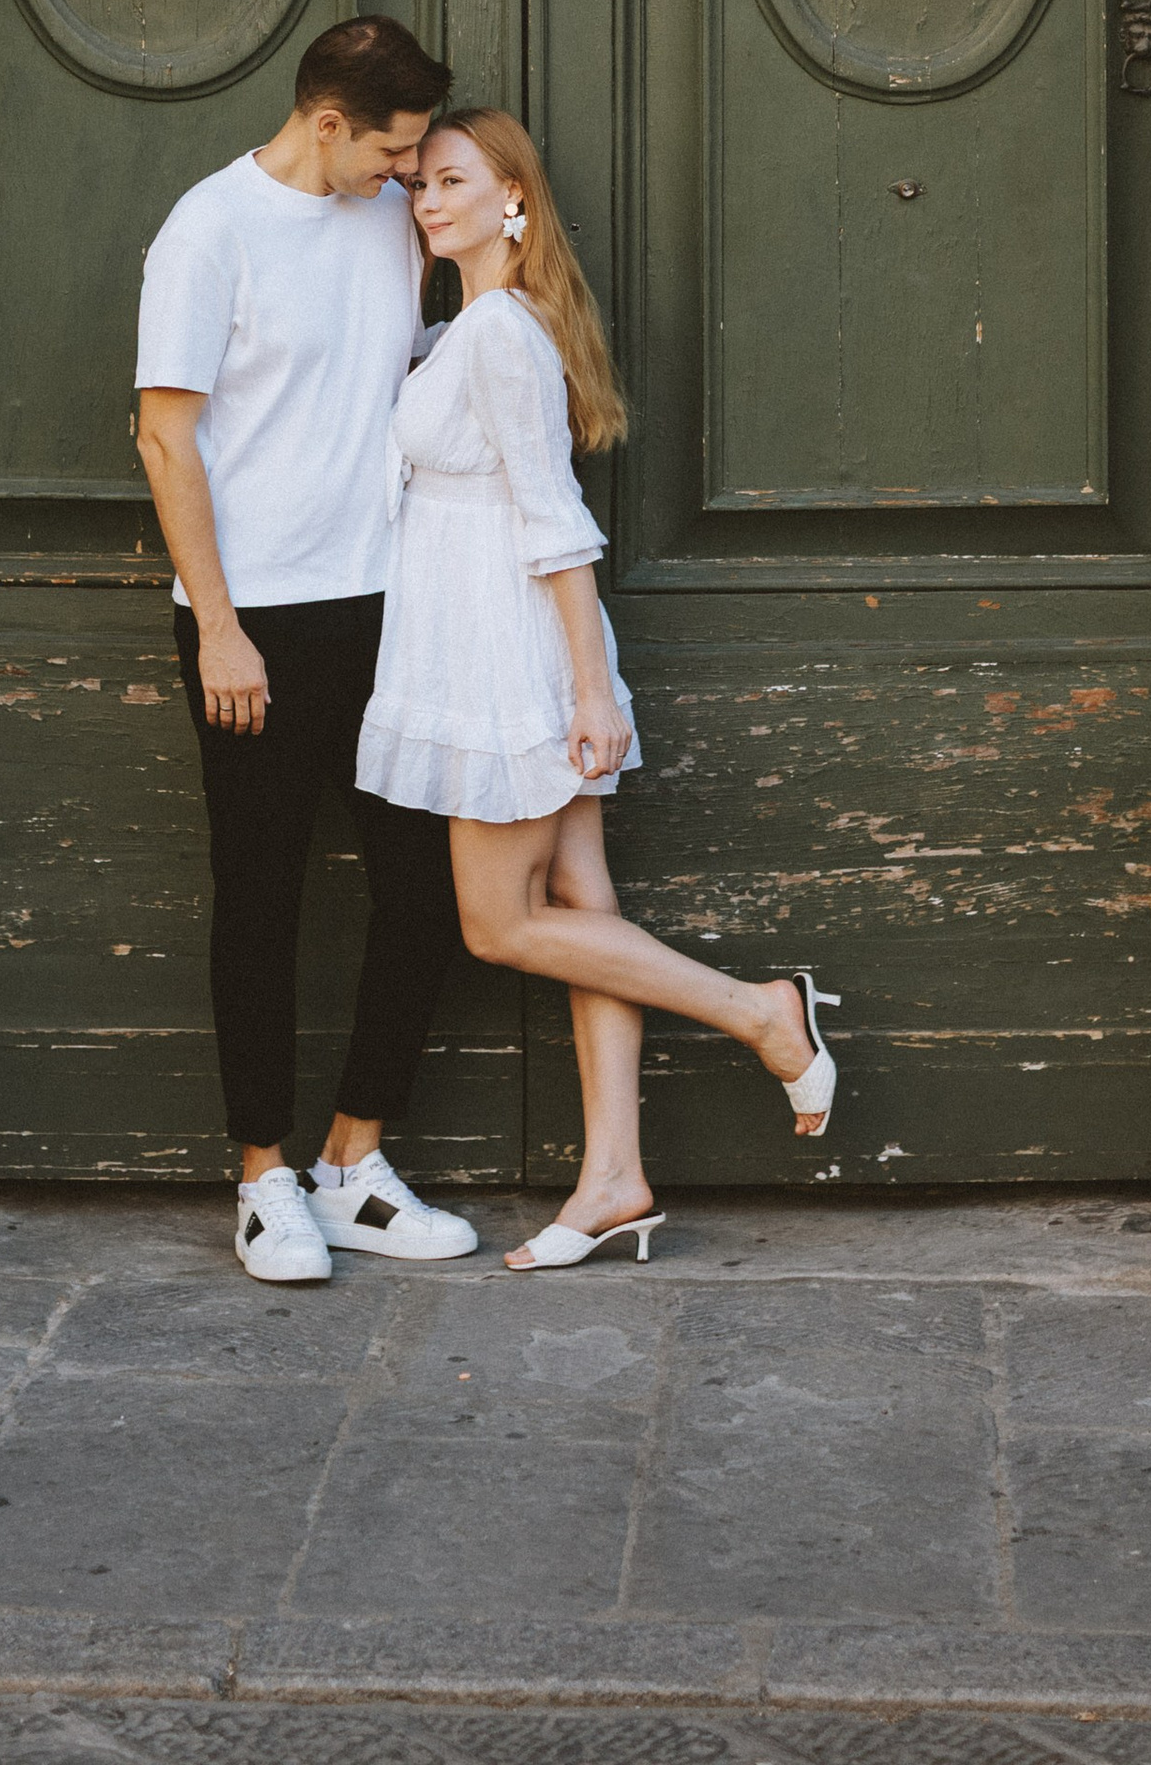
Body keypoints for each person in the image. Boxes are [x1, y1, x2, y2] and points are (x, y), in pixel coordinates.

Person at [358, 110, 840, 1270]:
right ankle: (615, 1174)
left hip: (506, 659)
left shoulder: (497, 337)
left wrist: (589, 692)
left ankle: (760, 1011)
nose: (427, 201)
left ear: (513, 197)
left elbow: (552, 521)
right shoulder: (466, 329)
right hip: (482, 643)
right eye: (419, 184)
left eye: (452, 180)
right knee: (583, 907)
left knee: (499, 923)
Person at [135, 13, 481, 1287]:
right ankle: (262, 1177)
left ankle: (352, 1162)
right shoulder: (209, 230)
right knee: (261, 899)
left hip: (391, 604)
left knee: (426, 893)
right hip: (255, 623)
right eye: (389, 150)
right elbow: (165, 435)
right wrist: (219, 625)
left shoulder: (391, 214)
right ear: (327, 123)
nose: (407, 172)